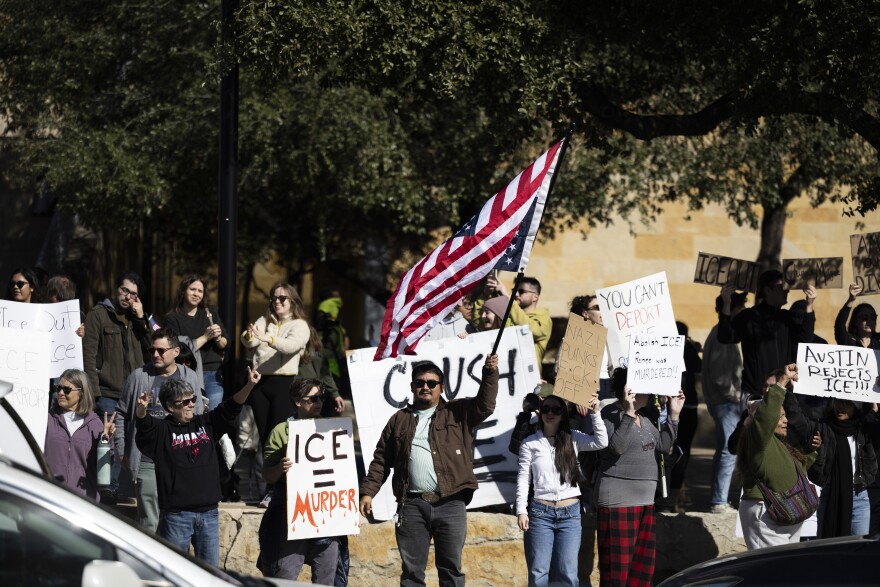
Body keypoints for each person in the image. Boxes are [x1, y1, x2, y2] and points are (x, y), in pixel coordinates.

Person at [360, 354, 499, 587]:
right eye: (420, 383)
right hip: (412, 505)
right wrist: (368, 492)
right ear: (413, 387)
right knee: (412, 574)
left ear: (441, 387)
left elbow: (485, 405)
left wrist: (490, 373)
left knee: (451, 570)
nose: (425, 387)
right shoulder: (399, 419)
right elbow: (381, 460)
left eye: (431, 383)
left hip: (451, 503)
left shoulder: (458, 411)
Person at [134, 367, 260, 565]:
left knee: (209, 575)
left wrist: (250, 385)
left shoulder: (206, 423)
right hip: (176, 517)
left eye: (192, 399)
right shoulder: (161, 431)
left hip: (209, 514)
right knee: (175, 572)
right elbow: (144, 428)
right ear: (169, 407)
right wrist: (141, 410)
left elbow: (231, 407)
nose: (191, 404)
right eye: (184, 402)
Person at [595, 368, 684, 587]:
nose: (652, 392)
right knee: (618, 572)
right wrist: (628, 412)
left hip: (645, 501)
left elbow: (663, 445)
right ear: (630, 389)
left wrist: (674, 415)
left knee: (641, 571)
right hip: (618, 501)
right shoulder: (609, 414)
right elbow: (616, 447)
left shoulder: (646, 417)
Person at [115, 327, 204, 531]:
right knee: (149, 522)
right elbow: (121, 413)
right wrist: (121, 449)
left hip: (180, 459)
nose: (155, 354)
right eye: (152, 350)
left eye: (161, 350)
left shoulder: (189, 376)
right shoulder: (139, 376)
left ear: (176, 352)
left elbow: (197, 418)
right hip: (148, 459)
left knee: (177, 521)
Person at [516, 394, 608, 587]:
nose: (550, 413)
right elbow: (524, 478)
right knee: (538, 572)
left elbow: (601, 442)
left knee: (567, 572)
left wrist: (595, 413)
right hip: (540, 513)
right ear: (539, 412)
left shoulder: (573, 437)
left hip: (570, 513)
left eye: (556, 410)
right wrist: (521, 510)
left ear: (563, 414)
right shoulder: (530, 443)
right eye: (546, 409)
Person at [258, 378, 342, 583]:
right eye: (313, 398)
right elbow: (267, 475)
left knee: (326, 578)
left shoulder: (332, 429)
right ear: (297, 401)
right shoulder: (280, 431)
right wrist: (280, 468)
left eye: (321, 397)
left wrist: (347, 515)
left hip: (326, 515)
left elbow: (342, 476)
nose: (319, 402)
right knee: (286, 575)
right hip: (293, 514)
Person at [82, 271, 152, 503]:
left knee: (132, 442)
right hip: (108, 393)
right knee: (109, 442)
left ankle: (125, 488)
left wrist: (142, 319)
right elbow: (89, 357)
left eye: (133, 294)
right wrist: (93, 394)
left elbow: (153, 349)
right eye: (124, 290)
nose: (127, 296)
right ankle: (107, 491)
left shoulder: (137, 319)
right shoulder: (98, 315)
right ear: (116, 289)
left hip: (136, 392)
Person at [736, 364, 821, 549]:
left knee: (786, 572)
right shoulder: (759, 440)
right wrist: (782, 381)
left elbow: (798, 470)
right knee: (770, 572)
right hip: (767, 515)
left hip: (789, 513)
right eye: (781, 416)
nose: (786, 420)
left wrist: (812, 451)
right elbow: (766, 416)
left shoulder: (778, 443)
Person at [717, 269, 816, 397]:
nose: (787, 290)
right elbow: (725, 337)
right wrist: (726, 304)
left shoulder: (787, 318)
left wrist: (809, 305)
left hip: (784, 391)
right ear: (767, 290)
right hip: (756, 394)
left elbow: (806, 340)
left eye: (787, 287)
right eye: (781, 287)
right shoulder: (749, 317)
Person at [241, 282, 311, 446]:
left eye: (282, 298)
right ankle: (268, 471)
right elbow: (248, 342)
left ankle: (282, 471)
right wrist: (249, 335)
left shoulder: (300, 325)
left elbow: (291, 346)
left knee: (279, 436)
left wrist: (268, 339)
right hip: (259, 383)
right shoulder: (265, 320)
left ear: (292, 300)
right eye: (274, 299)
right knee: (264, 437)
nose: (277, 302)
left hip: (284, 384)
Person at [806, 399, 876, 538]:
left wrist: (875, 402)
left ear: (856, 407)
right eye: (838, 401)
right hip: (831, 494)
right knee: (828, 547)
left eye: (847, 403)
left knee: (858, 549)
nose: (840, 407)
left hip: (860, 497)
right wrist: (815, 448)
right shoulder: (823, 428)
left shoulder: (863, 429)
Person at [702, 292, 746, 513]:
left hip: (726, 402)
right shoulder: (722, 334)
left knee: (725, 451)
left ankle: (719, 499)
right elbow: (721, 376)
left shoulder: (723, 333)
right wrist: (736, 396)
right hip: (726, 403)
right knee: (729, 452)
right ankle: (719, 501)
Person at [44, 369, 115, 500]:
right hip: (50, 495)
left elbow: (104, 465)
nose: (60, 393)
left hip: (83, 499)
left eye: (66, 389)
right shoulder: (47, 419)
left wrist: (106, 441)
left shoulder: (95, 424)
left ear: (81, 392)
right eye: (58, 388)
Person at [163, 274, 229, 409]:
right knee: (191, 415)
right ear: (183, 290)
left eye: (200, 291)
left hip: (213, 373)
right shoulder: (172, 318)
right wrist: (205, 337)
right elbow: (177, 349)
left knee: (212, 417)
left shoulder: (210, 312)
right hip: (186, 374)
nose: (196, 294)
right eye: (192, 289)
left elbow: (225, 344)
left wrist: (217, 337)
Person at [665, 321, 702, 513]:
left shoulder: (662, 347)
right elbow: (698, 366)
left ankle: (666, 494)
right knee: (682, 450)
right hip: (686, 405)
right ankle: (673, 494)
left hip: (667, 404)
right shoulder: (686, 347)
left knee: (665, 450)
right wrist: (691, 347)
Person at [488, 275, 552, 368]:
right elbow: (483, 324)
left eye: (521, 291)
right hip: (507, 373)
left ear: (535, 297)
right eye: (514, 291)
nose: (516, 294)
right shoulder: (511, 314)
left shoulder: (544, 319)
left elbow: (528, 329)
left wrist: (508, 299)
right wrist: (487, 294)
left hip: (529, 377)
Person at [835, 283, 880, 349]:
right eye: (864, 317)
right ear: (856, 321)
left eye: (873, 317)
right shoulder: (848, 341)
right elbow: (839, 326)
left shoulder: (878, 342)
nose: (869, 321)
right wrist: (851, 299)